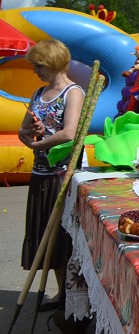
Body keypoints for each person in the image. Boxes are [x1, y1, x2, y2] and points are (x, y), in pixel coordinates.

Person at [18, 39, 85, 313]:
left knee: (62, 236)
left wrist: (38, 143)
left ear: (55, 62)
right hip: (40, 173)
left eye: (40, 65)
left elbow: (69, 133)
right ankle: (61, 294)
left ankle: (73, 295)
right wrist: (29, 135)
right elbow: (24, 130)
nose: (36, 70)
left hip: (62, 175)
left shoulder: (74, 92)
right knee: (44, 233)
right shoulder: (38, 92)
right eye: (34, 65)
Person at [116, 45, 139, 118]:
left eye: (137, 52)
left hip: (138, 84)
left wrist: (137, 67)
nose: (135, 53)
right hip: (133, 81)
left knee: (132, 102)